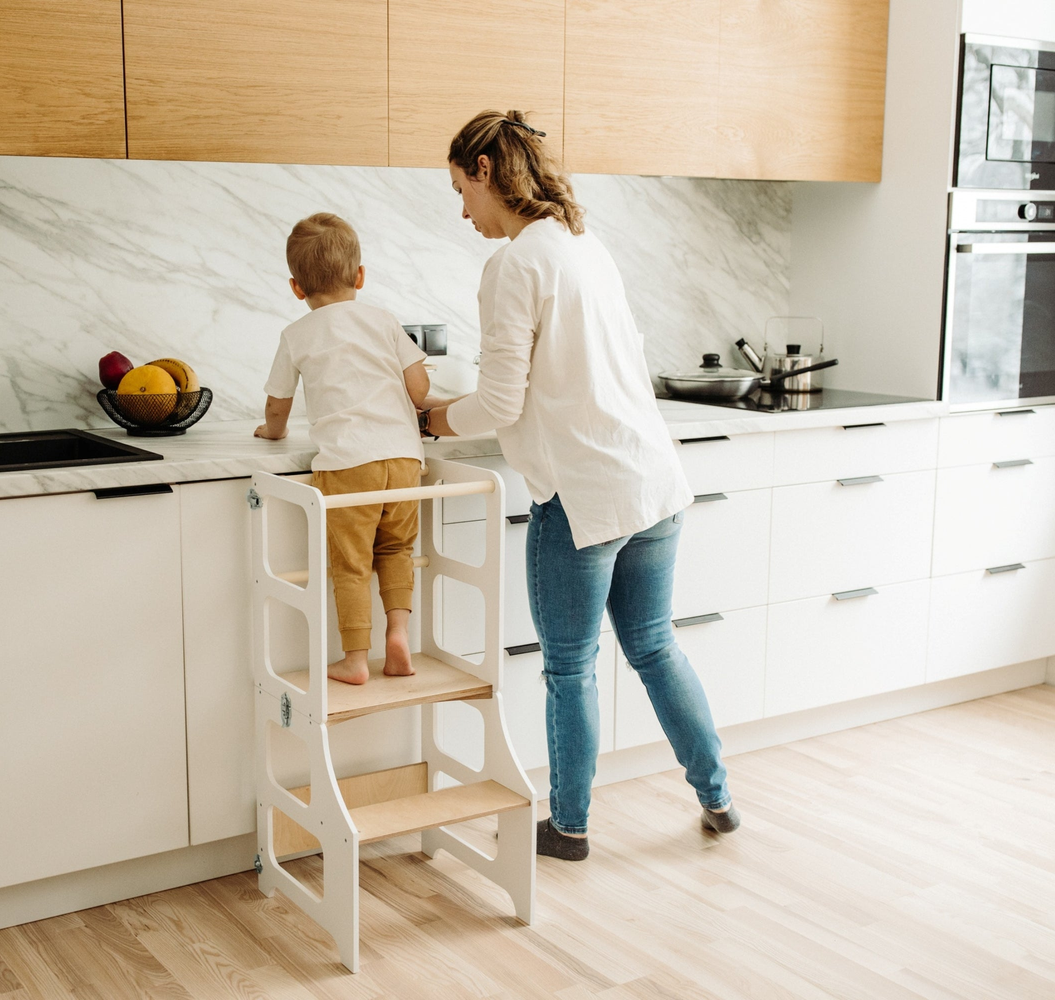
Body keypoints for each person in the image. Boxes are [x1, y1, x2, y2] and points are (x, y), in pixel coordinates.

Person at [420, 111, 740, 860]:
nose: (461, 207)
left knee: (569, 668)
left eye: (460, 187)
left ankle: (569, 826)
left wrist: (433, 421)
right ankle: (718, 797)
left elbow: (498, 403)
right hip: (650, 481)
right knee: (656, 647)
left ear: (487, 172)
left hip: (583, 496)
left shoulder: (513, 265)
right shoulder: (583, 246)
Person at [256, 213, 430, 685]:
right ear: (359, 276)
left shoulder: (297, 334)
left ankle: (356, 659)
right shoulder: (384, 320)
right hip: (404, 460)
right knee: (396, 549)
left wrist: (272, 432)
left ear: (296, 288)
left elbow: (278, 405)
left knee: (351, 563)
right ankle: (399, 637)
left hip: (348, 464)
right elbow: (419, 389)